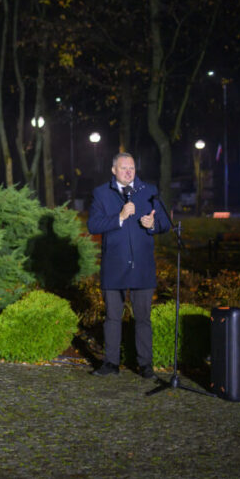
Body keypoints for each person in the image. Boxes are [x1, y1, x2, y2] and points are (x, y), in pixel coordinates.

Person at [87, 153, 171, 378]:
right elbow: (93, 225)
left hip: (142, 266)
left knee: (143, 318)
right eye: (123, 168)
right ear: (113, 170)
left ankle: (145, 365)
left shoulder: (149, 191)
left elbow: (165, 224)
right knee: (113, 317)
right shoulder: (101, 193)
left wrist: (153, 224)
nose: (128, 172)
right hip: (114, 266)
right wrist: (120, 217)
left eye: (132, 168)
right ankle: (110, 364)